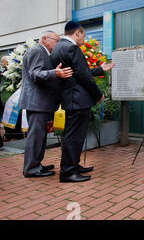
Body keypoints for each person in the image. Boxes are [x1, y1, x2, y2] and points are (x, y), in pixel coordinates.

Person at [51, 21, 115, 183]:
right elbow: (84, 76)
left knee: (73, 135)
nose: (83, 39)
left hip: (71, 98)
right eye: (83, 35)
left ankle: (74, 165)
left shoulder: (58, 47)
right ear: (77, 33)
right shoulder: (72, 48)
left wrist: (100, 69)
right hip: (78, 99)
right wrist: (98, 94)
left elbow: (78, 72)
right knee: (74, 137)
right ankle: (68, 172)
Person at [19, 31, 74, 178]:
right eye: (56, 40)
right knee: (36, 136)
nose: (57, 44)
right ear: (44, 39)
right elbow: (35, 74)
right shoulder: (37, 50)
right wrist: (55, 73)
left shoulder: (41, 51)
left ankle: (36, 164)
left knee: (40, 136)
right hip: (37, 102)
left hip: (40, 102)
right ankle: (31, 168)